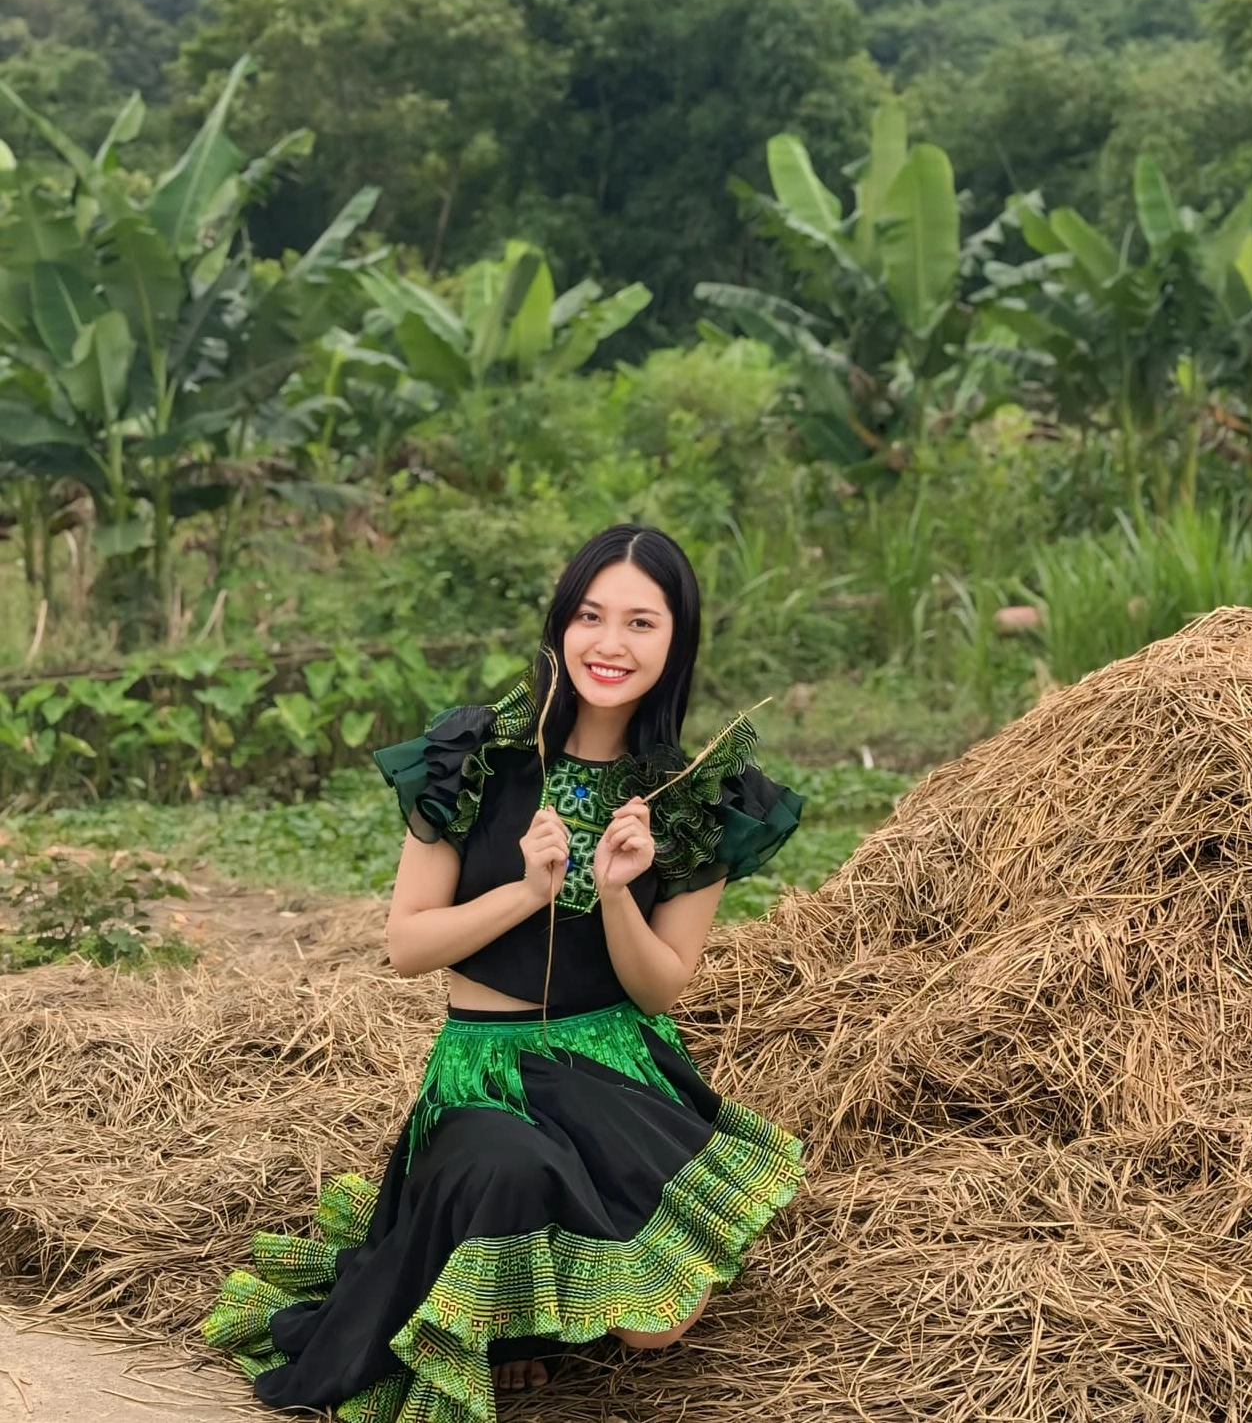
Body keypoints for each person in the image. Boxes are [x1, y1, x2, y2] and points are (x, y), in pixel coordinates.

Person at [204, 523, 806, 1418]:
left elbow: (660, 988)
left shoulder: (695, 798)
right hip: (485, 1071)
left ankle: (533, 1303)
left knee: (652, 1328)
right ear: (560, 625)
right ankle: (507, 1315)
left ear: (677, 643)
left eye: (641, 623)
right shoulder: (477, 758)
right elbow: (407, 947)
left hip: (616, 1070)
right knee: (509, 1167)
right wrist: (527, 891)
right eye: (590, 616)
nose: (610, 643)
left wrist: (615, 893)